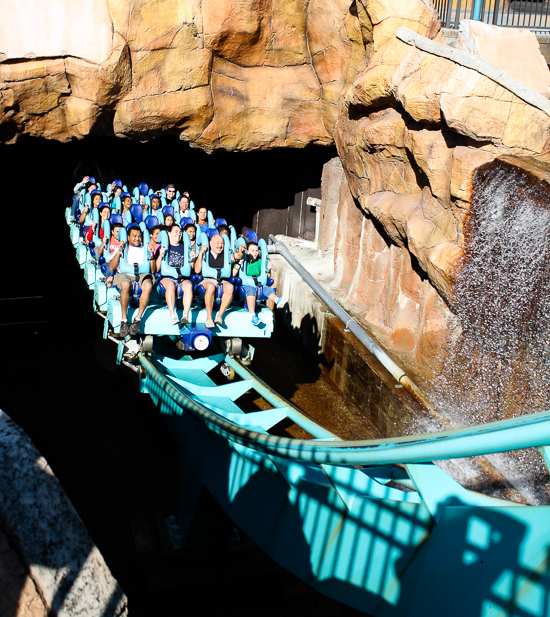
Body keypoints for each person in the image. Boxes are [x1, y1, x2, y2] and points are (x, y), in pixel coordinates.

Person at [109, 225, 154, 337]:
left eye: (139, 236)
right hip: (125, 274)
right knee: (125, 285)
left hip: (141, 274)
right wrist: (119, 250)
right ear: (128, 237)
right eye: (134, 236)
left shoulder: (145, 248)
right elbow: (111, 267)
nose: (137, 238)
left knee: (148, 286)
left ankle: (137, 319)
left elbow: (153, 269)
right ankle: (124, 320)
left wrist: (151, 253)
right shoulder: (124, 247)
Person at [237, 242, 286, 325]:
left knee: (266, 289)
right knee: (251, 290)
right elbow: (235, 270)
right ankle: (252, 315)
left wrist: (269, 267)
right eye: (253, 251)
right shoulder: (244, 261)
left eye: (256, 250)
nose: (255, 252)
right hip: (246, 285)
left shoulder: (260, 261)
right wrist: (238, 264)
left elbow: (266, 273)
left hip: (258, 284)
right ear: (247, 252)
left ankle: (277, 300)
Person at [195, 234, 237, 328]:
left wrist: (241, 251)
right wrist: (201, 253)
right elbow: (197, 270)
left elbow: (236, 256)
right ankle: (209, 318)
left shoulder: (225, 255)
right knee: (210, 286)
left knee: (230, 287)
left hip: (221, 280)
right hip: (207, 280)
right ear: (211, 243)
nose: (220, 245)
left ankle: (219, 316)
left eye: (222, 243)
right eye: (217, 243)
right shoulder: (206, 253)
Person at [156, 224, 194, 325]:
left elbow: (192, 268)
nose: (178, 234)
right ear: (169, 234)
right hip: (168, 278)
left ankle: (185, 315)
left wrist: (192, 258)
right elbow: (157, 268)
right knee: (170, 285)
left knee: (189, 286)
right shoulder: (163, 247)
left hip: (182, 277)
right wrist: (160, 255)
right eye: (176, 232)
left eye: (180, 232)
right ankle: (172, 315)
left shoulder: (184, 248)